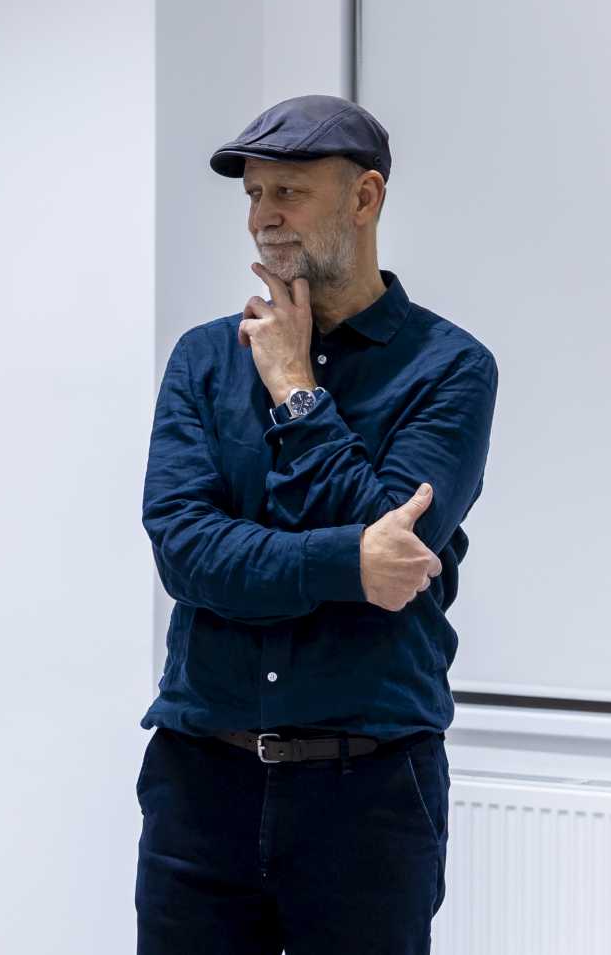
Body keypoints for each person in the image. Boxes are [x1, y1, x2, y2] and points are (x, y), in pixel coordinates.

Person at [135, 95, 498, 954]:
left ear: (364, 197)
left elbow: (397, 549)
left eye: (289, 192)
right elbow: (186, 551)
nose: (264, 217)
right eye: (254, 194)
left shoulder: (451, 369)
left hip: (369, 794)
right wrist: (347, 564)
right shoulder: (204, 358)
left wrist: (297, 390)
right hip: (200, 785)